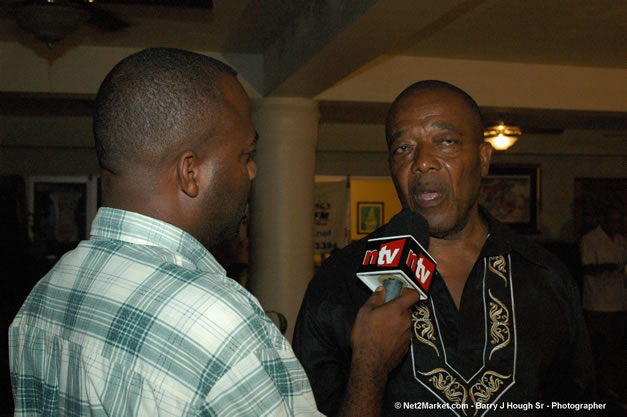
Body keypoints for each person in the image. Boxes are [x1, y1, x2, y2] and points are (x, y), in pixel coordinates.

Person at [9, 48, 420, 417]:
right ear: (190, 173)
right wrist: (371, 363)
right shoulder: (217, 323)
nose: (253, 172)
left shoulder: (45, 295)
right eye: (246, 155)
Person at [293, 80, 598, 416]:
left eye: (446, 141)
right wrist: (370, 367)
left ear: (483, 159)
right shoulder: (338, 284)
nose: (423, 162)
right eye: (404, 148)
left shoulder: (546, 277)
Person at [580, 206, 627, 405]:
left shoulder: (621, 241)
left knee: (617, 347)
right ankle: (600, 388)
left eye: (619, 221)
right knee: (601, 348)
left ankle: (616, 387)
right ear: (604, 220)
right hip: (598, 304)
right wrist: (608, 266)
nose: (615, 225)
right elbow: (587, 267)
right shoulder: (590, 240)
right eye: (612, 221)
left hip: (619, 301)